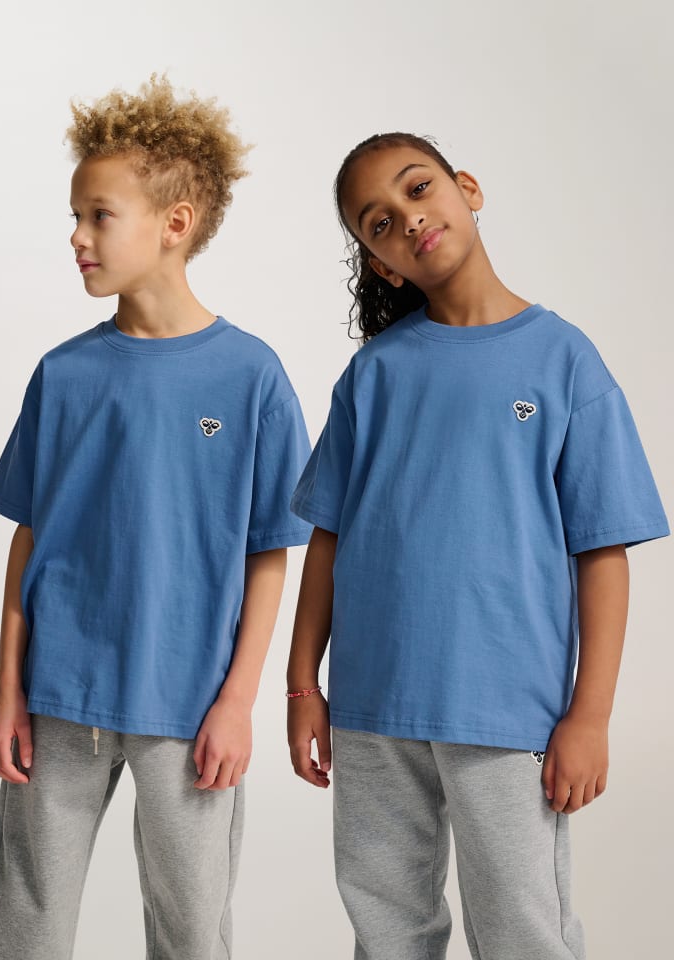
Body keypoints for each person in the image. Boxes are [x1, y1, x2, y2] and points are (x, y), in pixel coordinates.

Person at [286, 132, 669, 960]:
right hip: (371, 708)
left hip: (504, 709)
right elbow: (327, 536)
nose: (408, 219)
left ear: (468, 188)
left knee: (522, 931)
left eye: (418, 189)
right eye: (379, 223)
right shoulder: (374, 375)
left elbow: (603, 552)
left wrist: (591, 715)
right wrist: (302, 684)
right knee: (386, 928)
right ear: (382, 265)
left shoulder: (563, 359)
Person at [0, 76, 311, 960]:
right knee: (24, 922)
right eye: (74, 217)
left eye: (98, 216)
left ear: (175, 223)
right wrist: (8, 688)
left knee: (191, 927)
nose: (77, 238)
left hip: (189, 703)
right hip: (60, 695)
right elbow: (29, 537)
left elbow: (269, 551)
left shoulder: (251, 377)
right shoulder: (63, 375)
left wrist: (238, 701)